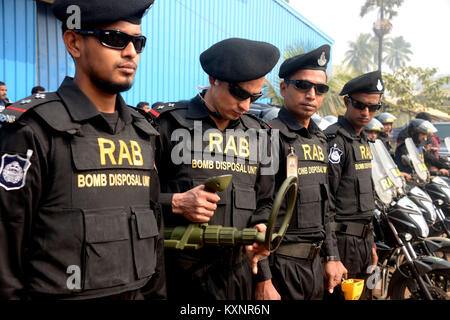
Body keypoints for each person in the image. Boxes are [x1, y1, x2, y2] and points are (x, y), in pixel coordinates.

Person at [0, 0, 165, 300]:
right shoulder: (34, 131)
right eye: (115, 39)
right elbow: (5, 257)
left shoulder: (143, 134)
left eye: (138, 42)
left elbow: (155, 247)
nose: (131, 52)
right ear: (74, 43)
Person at [154, 37, 280, 300]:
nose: (246, 105)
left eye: (254, 96)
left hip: (237, 278)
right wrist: (175, 203)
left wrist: (260, 232)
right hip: (176, 278)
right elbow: (132, 200)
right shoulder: (168, 126)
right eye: (239, 94)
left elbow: (265, 203)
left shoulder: (259, 136)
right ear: (213, 80)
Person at [268, 45, 346, 300]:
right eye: (302, 86)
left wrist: (332, 256)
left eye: (320, 88)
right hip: (282, 267)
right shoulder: (269, 136)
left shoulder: (319, 139)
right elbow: (258, 211)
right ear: (283, 88)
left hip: (314, 266)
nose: (312, 94)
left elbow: (327, 207)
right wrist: (264, 278)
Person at [324, 70, 383, 300]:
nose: (366, 112)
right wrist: (331, 255)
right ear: (347, 102)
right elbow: (325, 202)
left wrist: (372, 244)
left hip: (364, 243)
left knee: (366, 295)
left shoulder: (362, 140)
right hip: (342, 244)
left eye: (373, 107)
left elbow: (366, 203)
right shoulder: (335, 141)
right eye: (360, 105)